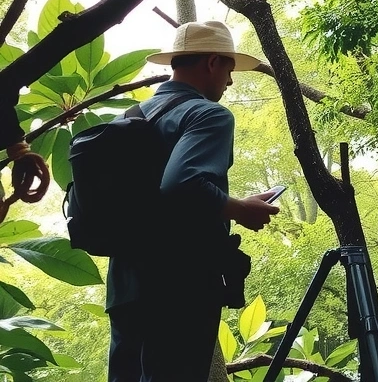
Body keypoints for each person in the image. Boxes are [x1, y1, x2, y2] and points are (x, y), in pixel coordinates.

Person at [106, 20, 281, 382]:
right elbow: (182, 184)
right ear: (213, 62)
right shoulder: (209, 114)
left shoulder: (131, 118)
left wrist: (234, 202)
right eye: (229, 70)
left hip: (126, 286)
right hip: (179, 289)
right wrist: (241, 209)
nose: (230, 82)